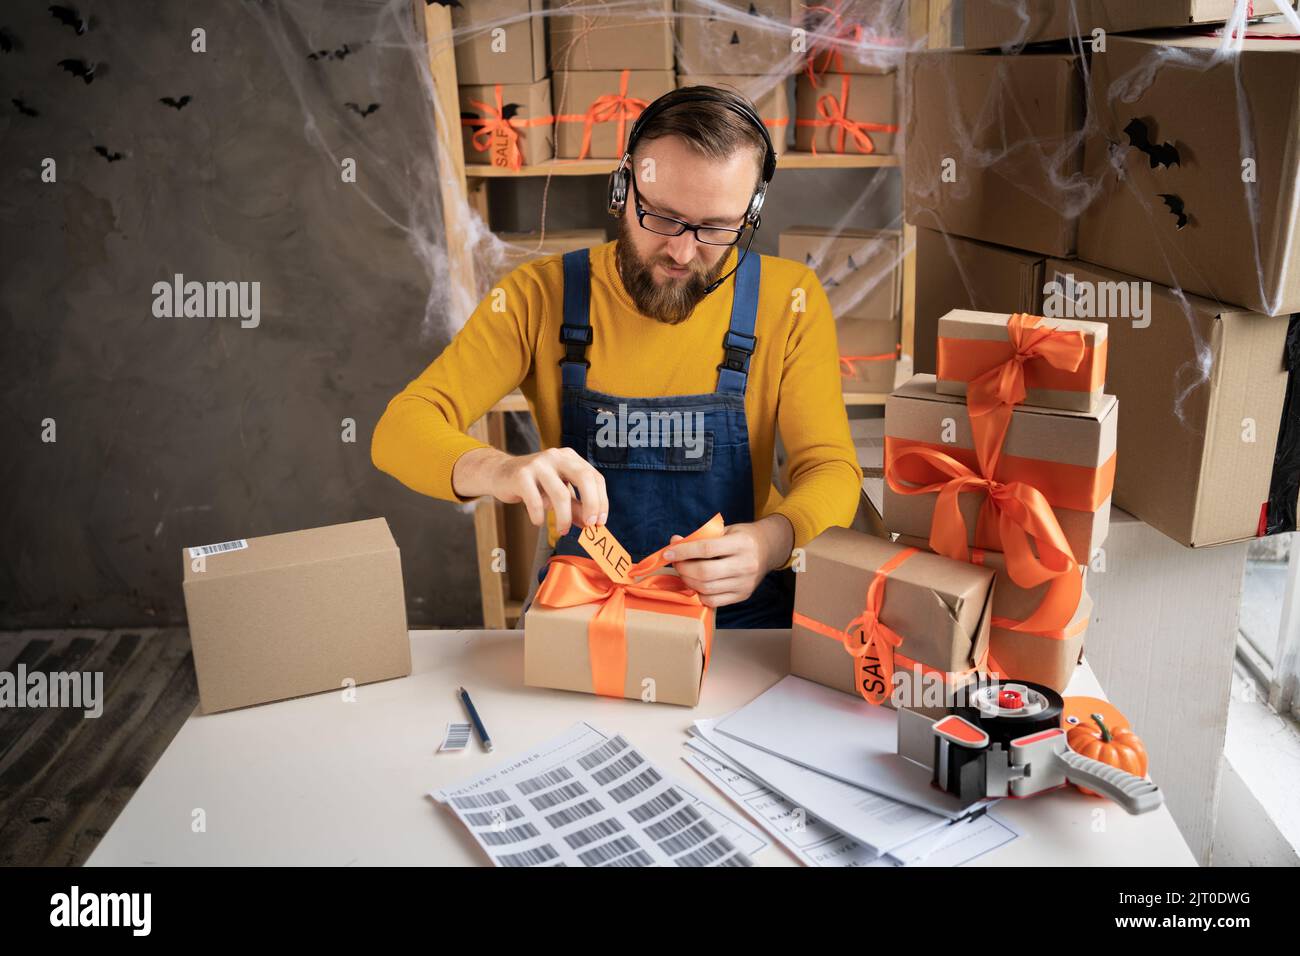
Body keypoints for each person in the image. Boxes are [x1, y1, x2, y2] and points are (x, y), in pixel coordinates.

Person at [372, 85, 861, 628]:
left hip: (735, 616)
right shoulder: (539, 296)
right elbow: (400, 429)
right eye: (662, 218)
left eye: (716, 229)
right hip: (586, 611)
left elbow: (831, 468)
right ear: (622, 185)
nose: (681, 251)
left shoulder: (788, 300)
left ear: (750, 214)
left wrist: (774, 540)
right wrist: (502, 469)